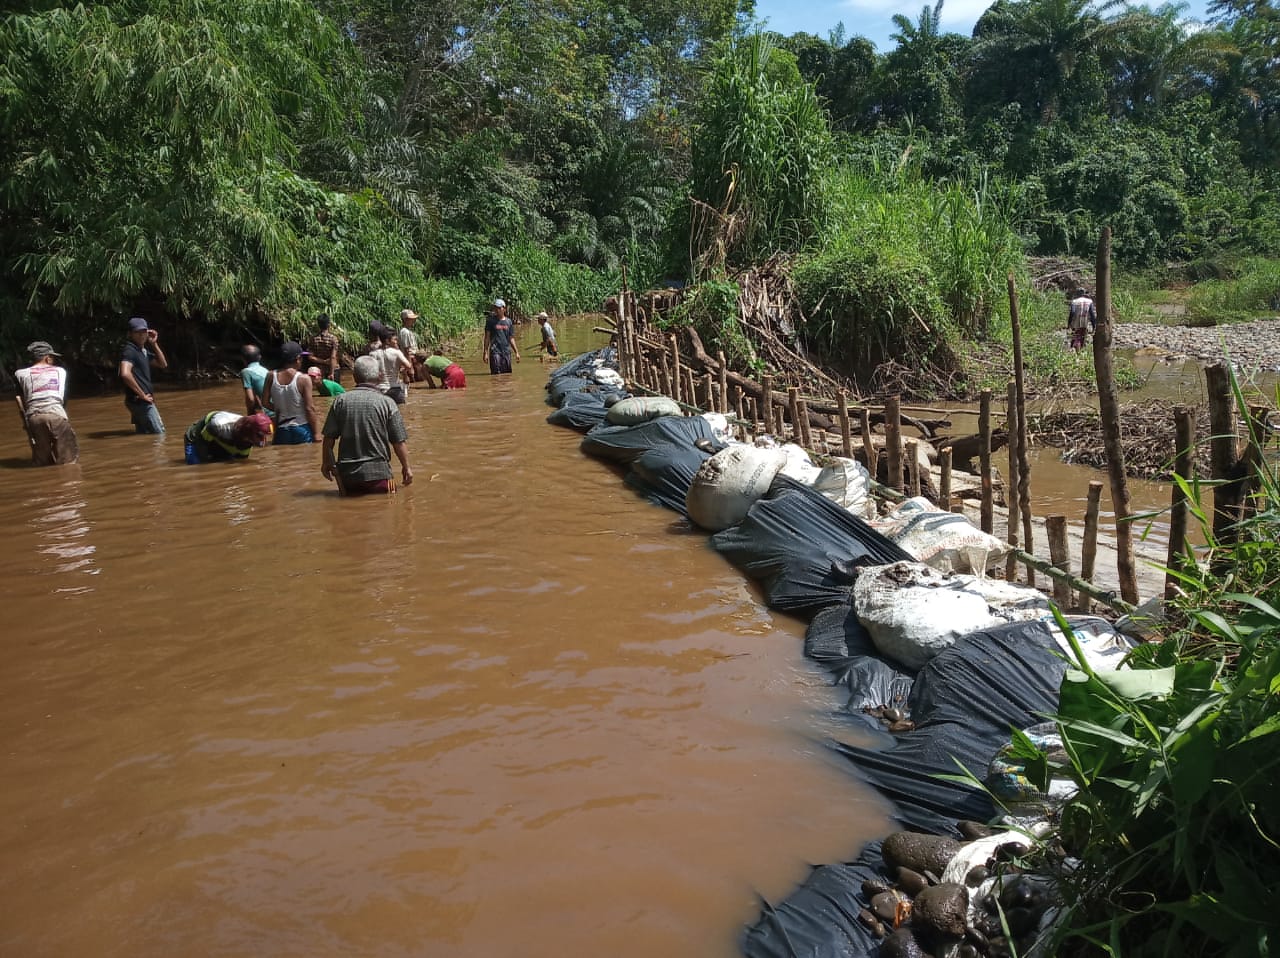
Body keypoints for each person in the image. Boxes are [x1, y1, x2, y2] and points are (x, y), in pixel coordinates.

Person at [320, 354, 413, 496]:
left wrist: (325, 462)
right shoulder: (387, 403)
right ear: (379, 377)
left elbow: (328, 438)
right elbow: (398, 441)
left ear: (354, 377)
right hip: (380, 475)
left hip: (347, 476)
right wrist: (406, 468)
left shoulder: (340, 401)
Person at [15, 340, 79, 466]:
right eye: (52, 357)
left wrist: (26, 421)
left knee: (42, 462)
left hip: (34, 418)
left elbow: (19, 398)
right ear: (47, 358)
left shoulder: (20, 374)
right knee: (68, 462)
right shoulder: (61, 372)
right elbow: (63, 398)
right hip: (56, 416)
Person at [262, 341, 319, 444]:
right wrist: (316, 433)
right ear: (297, 359)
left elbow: (264, 402)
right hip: (302, 428)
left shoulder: (271, 375)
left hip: (282, 430)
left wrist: (279, 409)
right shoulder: (304, 378)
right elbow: (309, 408)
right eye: (301, 358)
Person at [119, 316, 167, 434]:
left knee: (143, 435)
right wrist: (142, 395)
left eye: (144, 331)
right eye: (137, 332)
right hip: (141, 402)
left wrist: (154, 344)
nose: (141, 335)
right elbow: (125, 373)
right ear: (130, 334)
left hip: (137, 401)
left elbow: (163, 364)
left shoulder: (142, 351)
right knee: (160, 435)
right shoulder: (130, 351)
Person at [183, 411, 272, 464]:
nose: (262, 441)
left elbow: (241, 461)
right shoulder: (219, 426)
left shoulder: (247, 441)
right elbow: (201, 443)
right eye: (260, 436)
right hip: (198, 437)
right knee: (197, 465)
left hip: (222, 441)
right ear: (249, 430)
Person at [373, 326, 413, 404]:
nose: (396, 342)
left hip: (379, 390)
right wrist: (403, 372)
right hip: (395, 390)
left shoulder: (373, 354)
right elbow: (408, 366)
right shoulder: (396, 352)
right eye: (394, 339)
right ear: (387, 340)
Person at [482, 298, 520, 374]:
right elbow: (487, 338)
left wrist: (516, 352)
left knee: (507, 375)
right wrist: (485, 352)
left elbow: (511, 338)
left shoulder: (509, 322)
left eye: (499, 308)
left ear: (504, 309)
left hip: (506, 352)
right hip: (495, 352)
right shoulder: (490, 321)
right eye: (495, 308)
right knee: (496, 375)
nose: (497, 310)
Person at [308, 314, 342, 383]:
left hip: (320, 371)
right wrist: (331, 373)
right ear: (329, 324)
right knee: (336, 392)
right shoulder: (333, 339)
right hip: (333, 369)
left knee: (323, 392)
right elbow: (333, 357)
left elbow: (310, 357)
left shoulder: (313, 339)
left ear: (318, 325)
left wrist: (323, 361)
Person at [240, 344, 269, 414]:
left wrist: (249, 416)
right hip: (275, 412)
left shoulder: (246, 372)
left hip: (265, 414)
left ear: (243, 359)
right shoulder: (266, 370)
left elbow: (250, 399)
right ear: (260, 357)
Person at [397, 309, 425, 381]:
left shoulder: (407, 331)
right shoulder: (405, 332)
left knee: (418, 380)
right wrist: (410, 367)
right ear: (405, 320)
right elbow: (407, 350)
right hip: (412, 359)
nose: (413, 321)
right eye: (411, 319)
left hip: (413, 359)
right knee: (417, 379)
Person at [1067, 287, 1097, 351]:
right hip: (1084, 322)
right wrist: (1094, 326)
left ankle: (1073, 351)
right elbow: (1092, 314)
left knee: (1075, 337)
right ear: (1084, 293)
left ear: (1077, 294)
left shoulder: (1074, 301)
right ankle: (1080, 351)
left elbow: (1072, 312)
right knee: (1082, 337)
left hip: (1075, 323)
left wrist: (1069, 324)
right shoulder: (1089, 301)